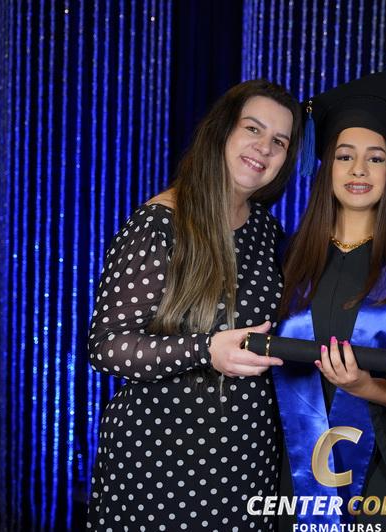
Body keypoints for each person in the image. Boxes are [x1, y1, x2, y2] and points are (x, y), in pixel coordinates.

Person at [85, 79, 302, 531]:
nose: (264, 148)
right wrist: (206, 350)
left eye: (279, 141)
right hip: (160, 465)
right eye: (253, 129)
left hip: (248, 465)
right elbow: (106, 346)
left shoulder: (267, 231)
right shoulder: (160, 222)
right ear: (222, 131)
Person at [275, 70, 386, 529]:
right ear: (326, 166)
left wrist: (366, 388)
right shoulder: (287, 261)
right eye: (344, 156)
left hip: (385, 484)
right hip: (294, 477)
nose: (358, 170)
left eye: (376, 158)